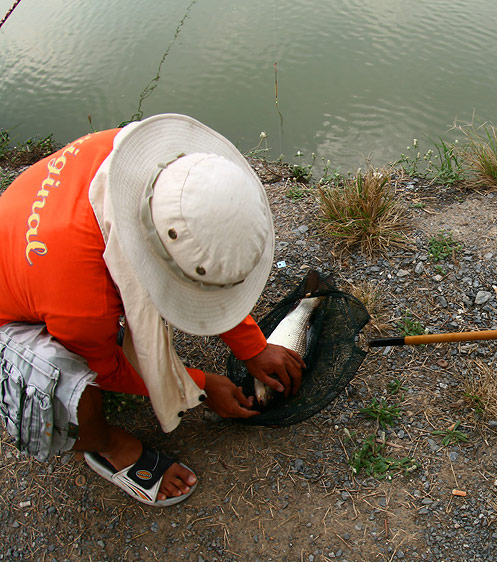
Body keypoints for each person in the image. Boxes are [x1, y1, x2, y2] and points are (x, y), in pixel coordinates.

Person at [0, 114, 305, 507]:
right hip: (18, 315)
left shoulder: (136, 163)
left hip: (43, 257)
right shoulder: (85, 305)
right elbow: (105, 370)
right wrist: (199, 386)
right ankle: (105, 446)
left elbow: (196, 258)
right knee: (71, 377)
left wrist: (252, 345)